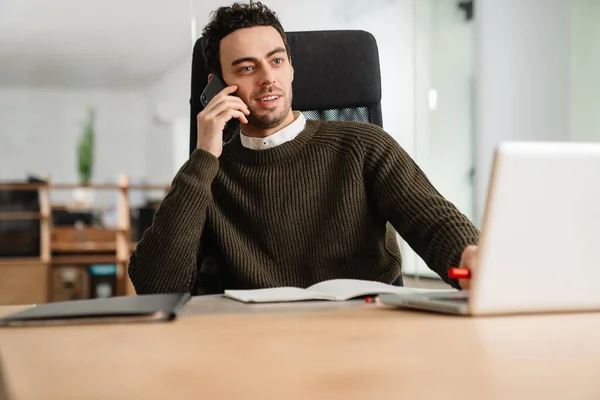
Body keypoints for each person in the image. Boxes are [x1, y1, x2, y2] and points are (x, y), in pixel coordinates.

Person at [128, 1, 479, 295]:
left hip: (362, 338)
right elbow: (157, 287)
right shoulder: (206, 176)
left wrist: (471, 255)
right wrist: (204, 155)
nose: (268, 77)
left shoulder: (363, 146)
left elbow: (432, 220)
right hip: (246, 347)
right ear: (218, 85)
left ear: (292, 69)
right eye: (247, 67)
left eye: (277, 60)